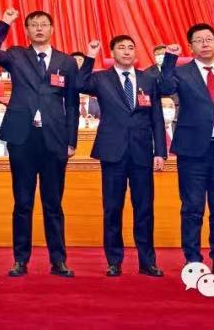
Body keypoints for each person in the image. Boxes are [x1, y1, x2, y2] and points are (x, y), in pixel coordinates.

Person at [0, 8, 79, 278]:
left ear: (52, 29)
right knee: (23, 202)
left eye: (43, 24)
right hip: (22, 137)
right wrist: (5, 22)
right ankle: (20, 260)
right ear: (26, 31)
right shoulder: (16, 55)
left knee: (53, 203)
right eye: (33, 25)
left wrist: (71, 140)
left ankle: (58, 261)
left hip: (54, 138)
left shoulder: (66, 62)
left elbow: (72, 104)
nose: (39, 28)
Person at [158, 24, 214, 276]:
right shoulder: (181, 72)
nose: (205, 43)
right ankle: (193, 259)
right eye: (199, 40)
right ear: (191, 47)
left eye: (209, 39)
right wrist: (170, 58)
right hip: (192, 151)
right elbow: (165, 88)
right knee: (192, 207)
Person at [80, 37, 166, 277]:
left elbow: (157, 117)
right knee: (112, 208)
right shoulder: (101, 78)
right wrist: (90, 56)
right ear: (112, 53)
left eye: (130, 48)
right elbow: (78, 83)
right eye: (121, 48)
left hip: (142, 152)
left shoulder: (148, 79)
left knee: (144, 208)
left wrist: (160, 151)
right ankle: (114, 261)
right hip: (112, 151)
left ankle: (147, 262)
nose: (127, 52)